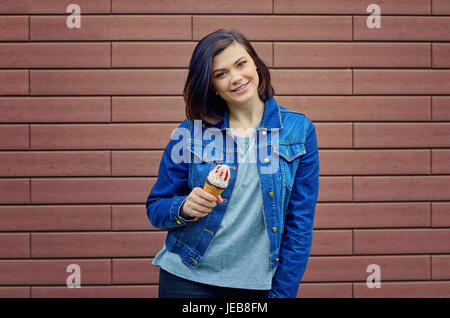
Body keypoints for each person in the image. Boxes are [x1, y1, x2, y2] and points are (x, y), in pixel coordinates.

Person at [146, 29, 319, 298]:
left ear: (255, 63)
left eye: (241, 64)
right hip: (187, 279)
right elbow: (156, 207)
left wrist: (283, 293)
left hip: (256, 285)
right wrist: (184, 207)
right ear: (211, 85)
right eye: (221, 74)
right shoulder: (191, 132)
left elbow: (300, 225)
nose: (236, 78)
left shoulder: (298, 130)